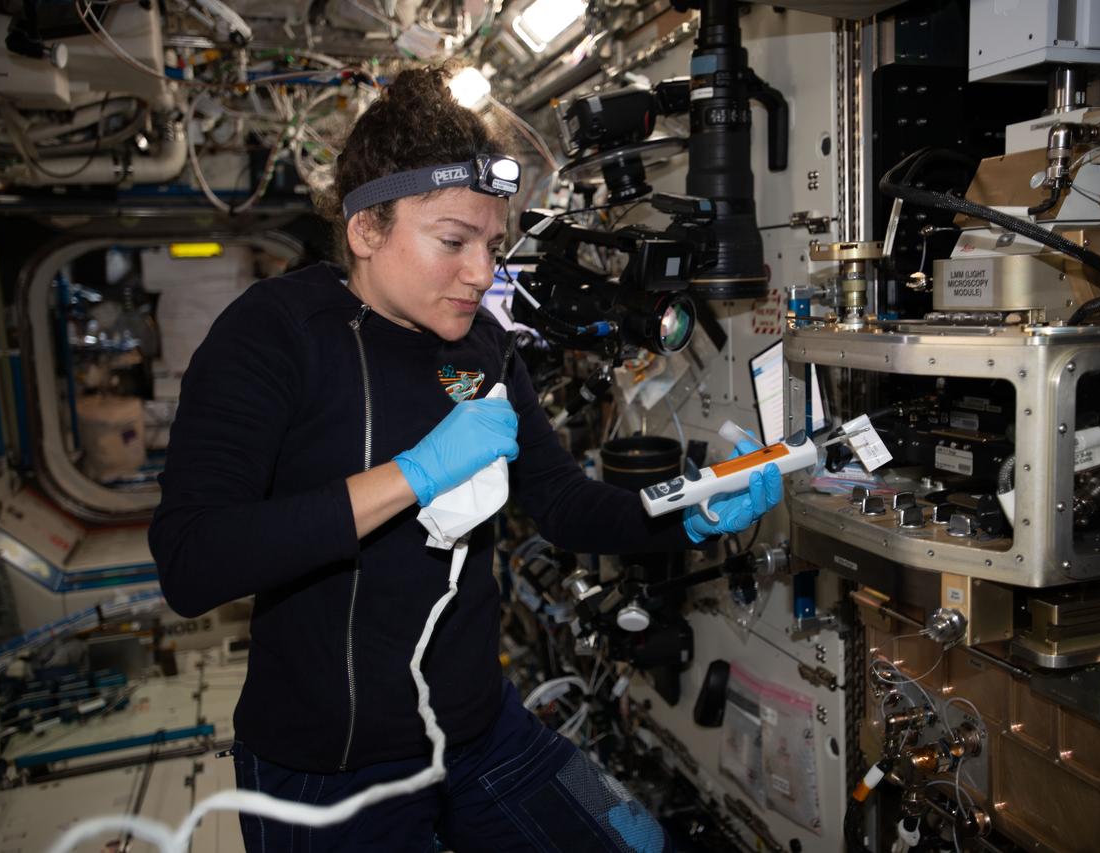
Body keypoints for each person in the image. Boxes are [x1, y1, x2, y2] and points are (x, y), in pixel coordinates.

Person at [148, 65, 781, 852]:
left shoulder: (484, 345)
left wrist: (686, 512)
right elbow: (192, 562)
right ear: (367, 230)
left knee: (635, 835)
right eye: (452, 241)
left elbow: (559, 501)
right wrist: (413, 475)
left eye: (490, 243)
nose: (481, 273)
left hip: (486, 729)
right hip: (325, 772)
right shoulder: (273, 337)